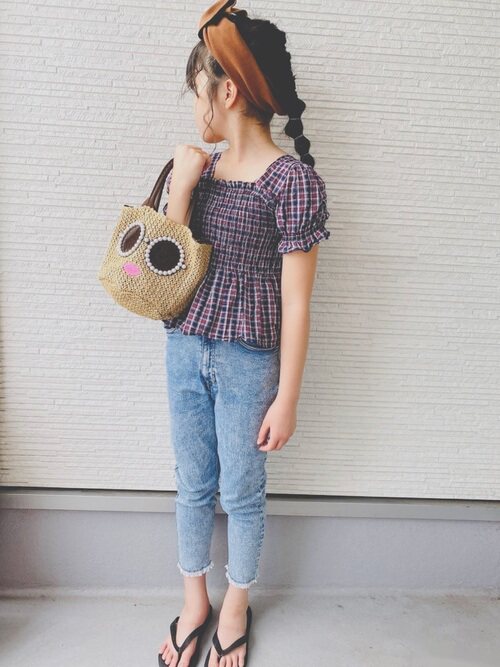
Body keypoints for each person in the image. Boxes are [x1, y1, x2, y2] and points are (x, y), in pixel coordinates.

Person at [158, 2, 331, 666]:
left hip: (248, 362)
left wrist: (288, 396)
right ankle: (193, 601)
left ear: (227, 91)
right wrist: (181, 188)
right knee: (192, 481)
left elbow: (298, 302)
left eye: (196, 89)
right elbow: (168, 266)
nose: (194, 105)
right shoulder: (201, 168)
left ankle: (235, 603)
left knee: (241, 490)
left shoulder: (293, 183)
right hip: (184, 348)